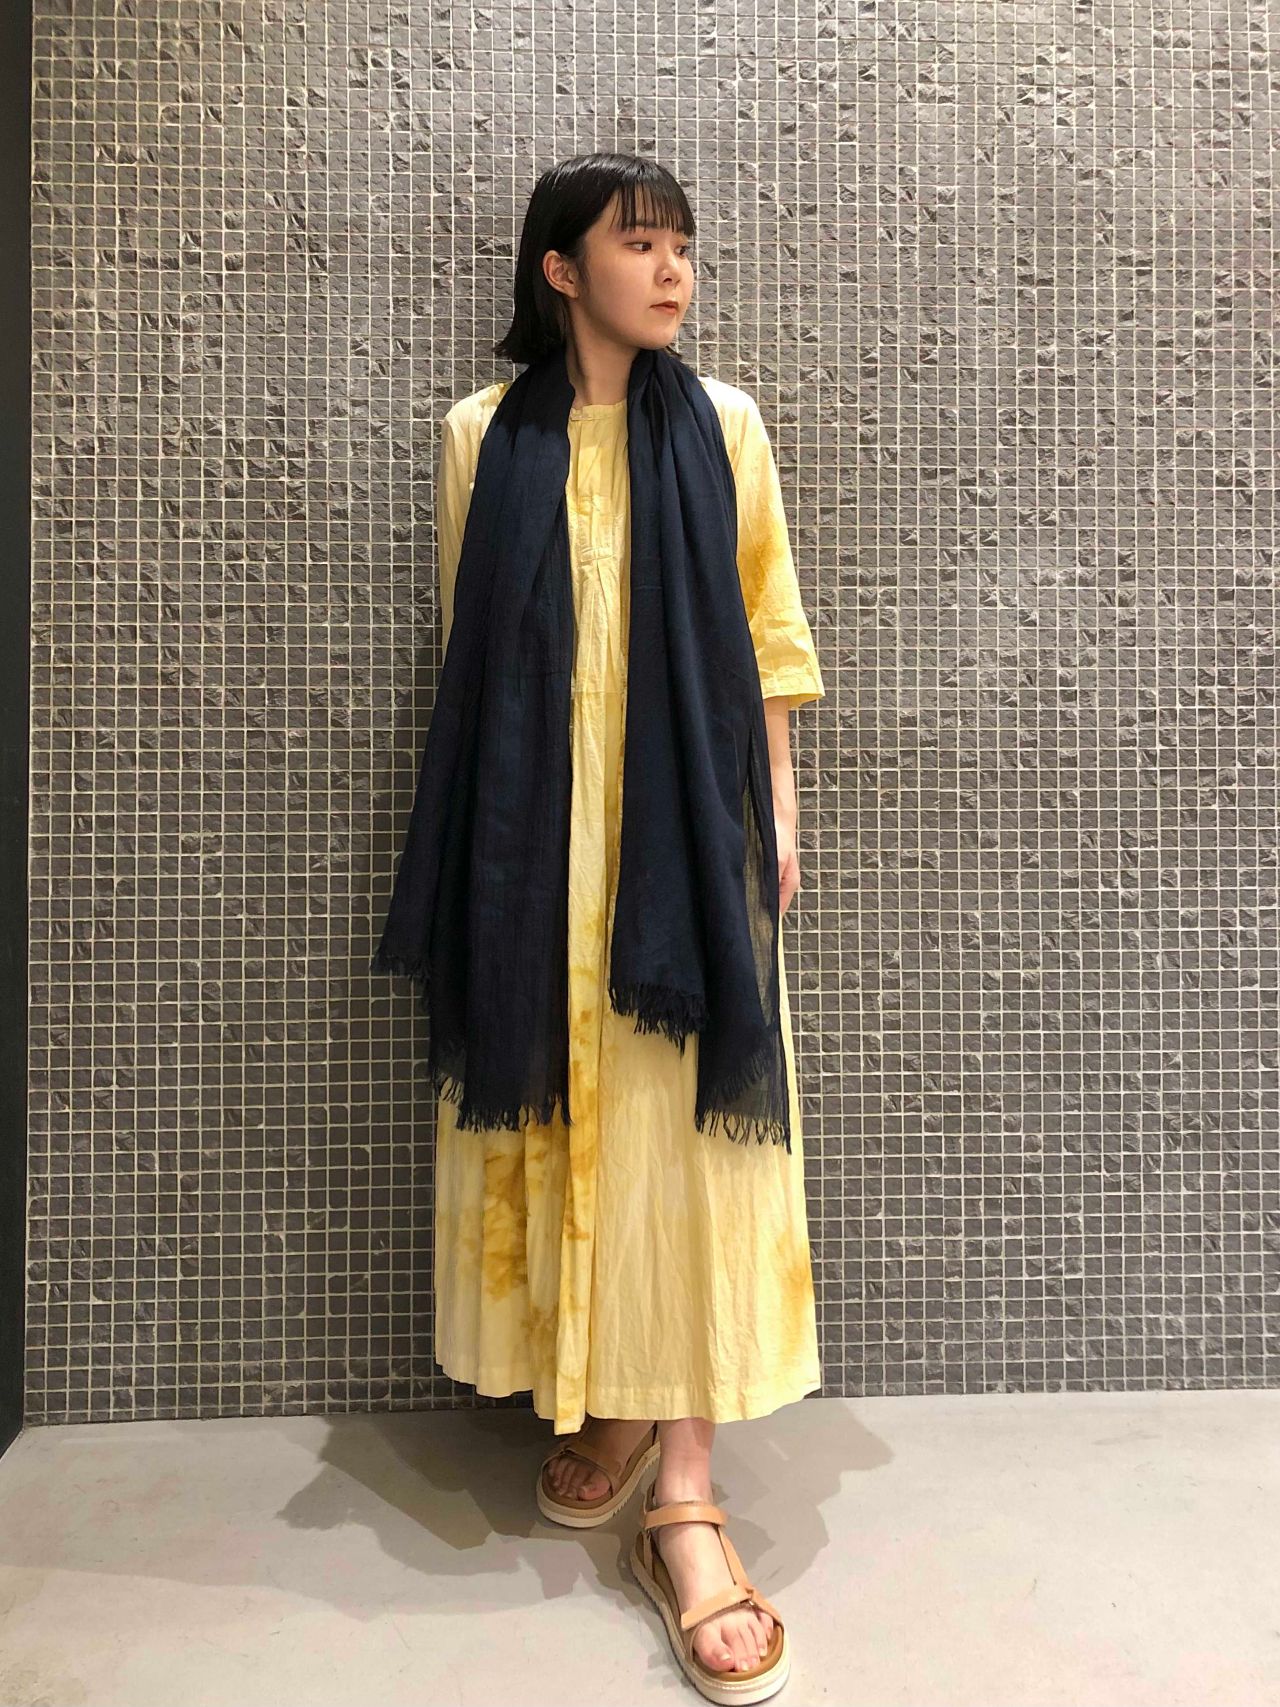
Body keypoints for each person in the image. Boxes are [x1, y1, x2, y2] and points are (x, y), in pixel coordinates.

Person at [419, 152, 824, 1700]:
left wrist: (772, 818)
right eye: (639, 245)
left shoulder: (725, 427)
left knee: (692, 1149)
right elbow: (471, 665)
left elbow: (766, 633)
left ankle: (686, 1499)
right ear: (559, 270)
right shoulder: (483, 438)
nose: (672, 273)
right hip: (536, 852)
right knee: (573, 1130)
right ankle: (613, 1394)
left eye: (683, 248)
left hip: (683, 853)